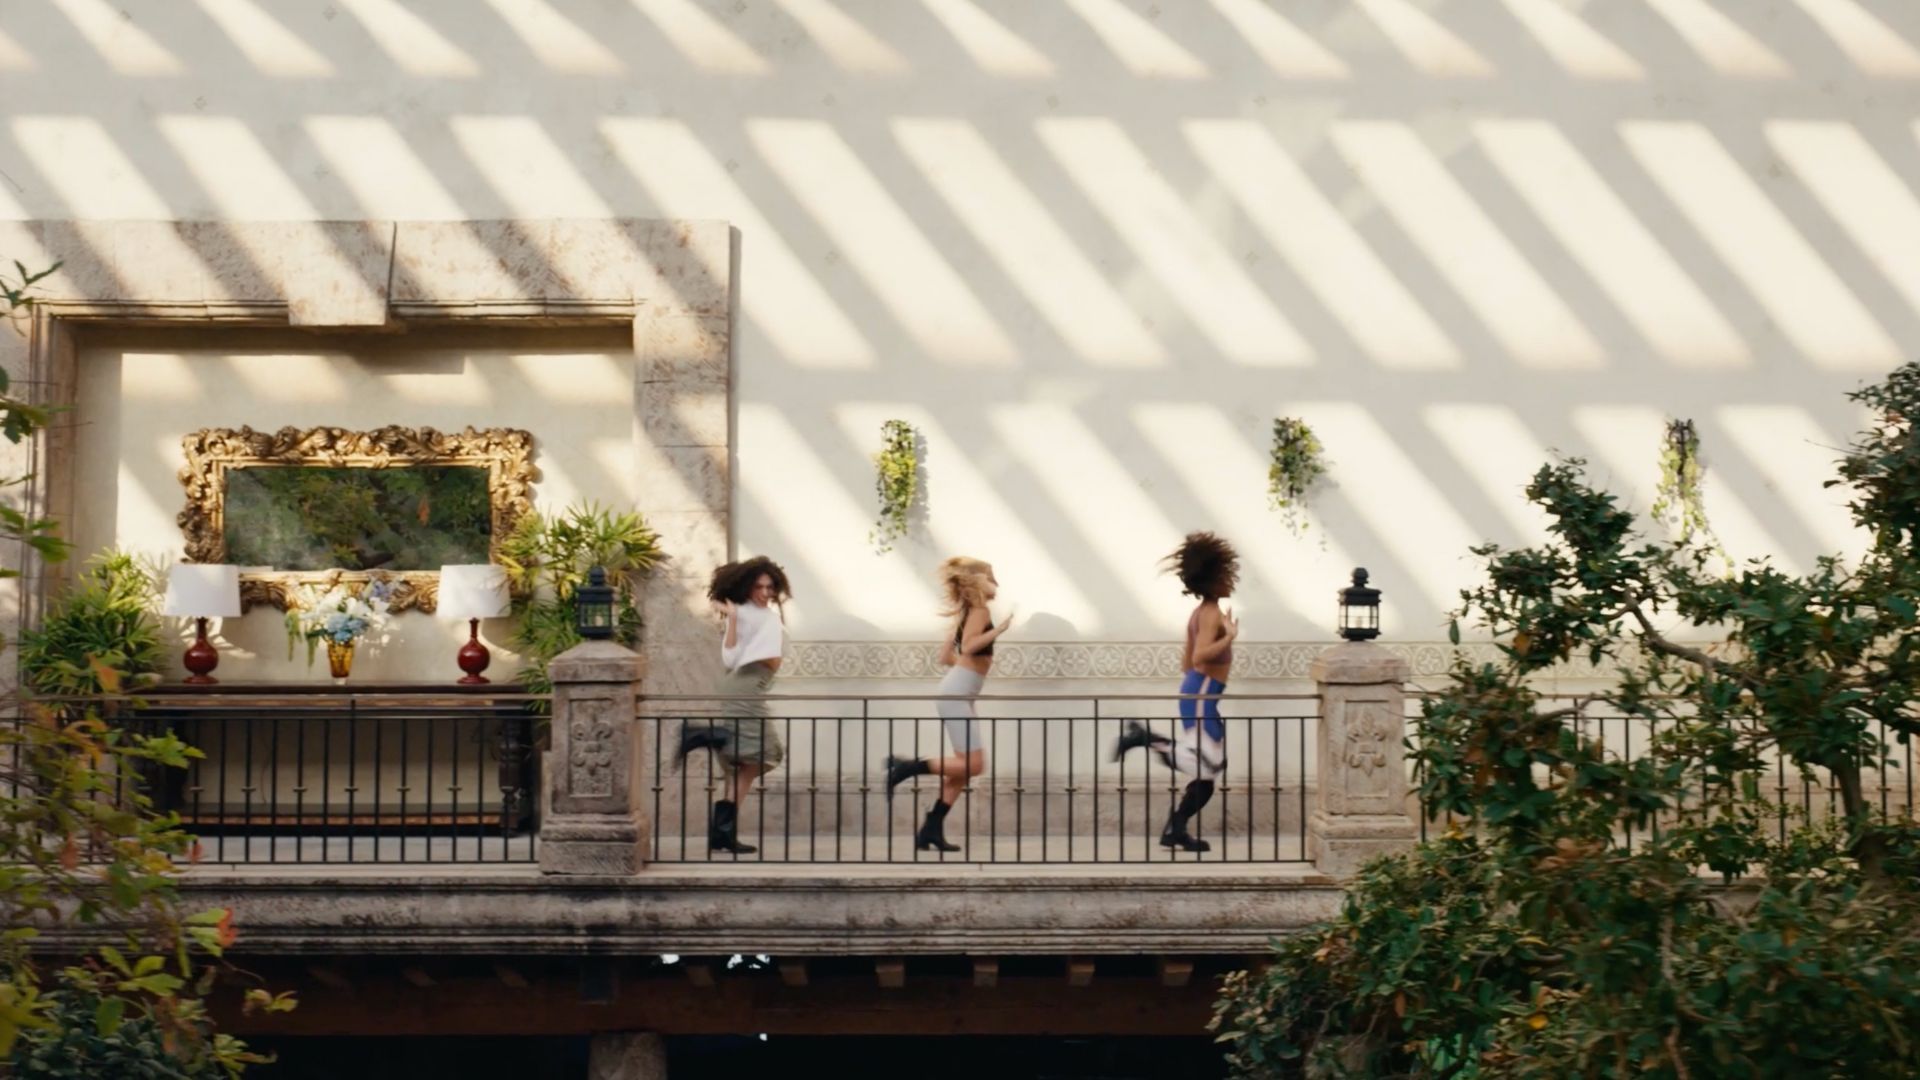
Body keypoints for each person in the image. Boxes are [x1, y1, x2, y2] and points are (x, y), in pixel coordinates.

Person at [1114, 532, 1239, 853]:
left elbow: (1186, 662)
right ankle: (1144, 738)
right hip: (1202, 695)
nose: (1232, 581)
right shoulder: (1210, 615)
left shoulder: (1200, 613)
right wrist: (1229, 638)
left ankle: (1176, 830)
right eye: (1227, 576)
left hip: (1198, 693)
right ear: (1214, 578)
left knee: (1208, 775)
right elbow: (1198, 657)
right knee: (1209, 766)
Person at [884, 556, 1012, 853]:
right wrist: (999, 630)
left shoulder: (968, 613)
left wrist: (966, 676)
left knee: (963, 770)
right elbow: (968, 647)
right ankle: (906, 767)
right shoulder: (980, 611)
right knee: (975, 765)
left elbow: (946, 657)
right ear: (976, 581)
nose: (996, 582)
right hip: (957, 695)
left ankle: (931, 829)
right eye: (991, 576)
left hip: (959, 693)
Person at [676, 556, 791, 855]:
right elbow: (741, 658)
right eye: (759, 587)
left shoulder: (750, 614)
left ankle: (722, 834)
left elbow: (732, 658)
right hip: (745, 688)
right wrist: (737, 620)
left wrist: (735, 617)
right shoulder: (757, 616)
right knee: (765, 752)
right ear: (747, 586)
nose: (765, 593)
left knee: (743, 764)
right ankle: (710, 736)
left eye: (769, 587)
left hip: (741, 687)